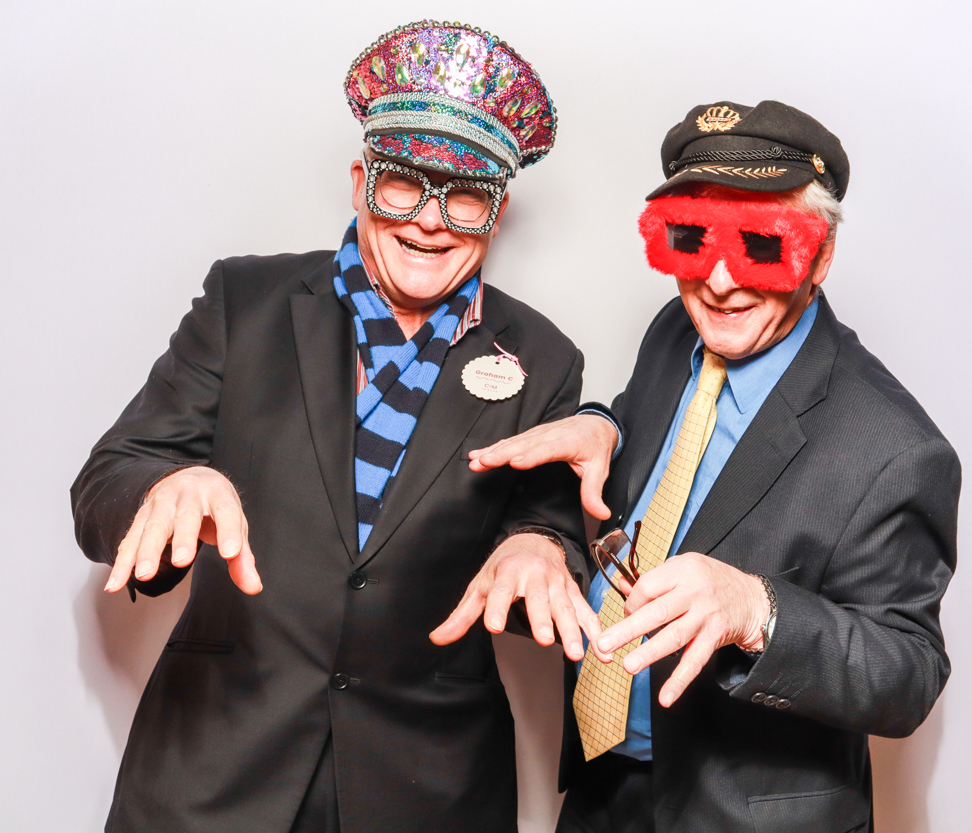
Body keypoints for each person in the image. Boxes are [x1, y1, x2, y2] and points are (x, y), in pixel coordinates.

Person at [70, 20, 603, 833]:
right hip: (214, 773)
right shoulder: (243, 303)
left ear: (494, 213)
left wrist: (543, 545)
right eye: (404, 186)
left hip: (428, 790)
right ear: (360, 182)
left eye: (463, 197)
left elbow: (549, 524)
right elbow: (111, 476)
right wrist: (169, 485)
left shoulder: (544, 357)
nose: (430, 221)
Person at [468, 100, 962, 832]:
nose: (721, 284)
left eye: (762, 246)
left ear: (820, 255)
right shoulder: (677, 332)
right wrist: (601, 422)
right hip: (604, 792)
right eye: (694, 242)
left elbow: (909, 673)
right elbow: (649, 433)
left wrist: (757, 610)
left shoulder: (894, 448)